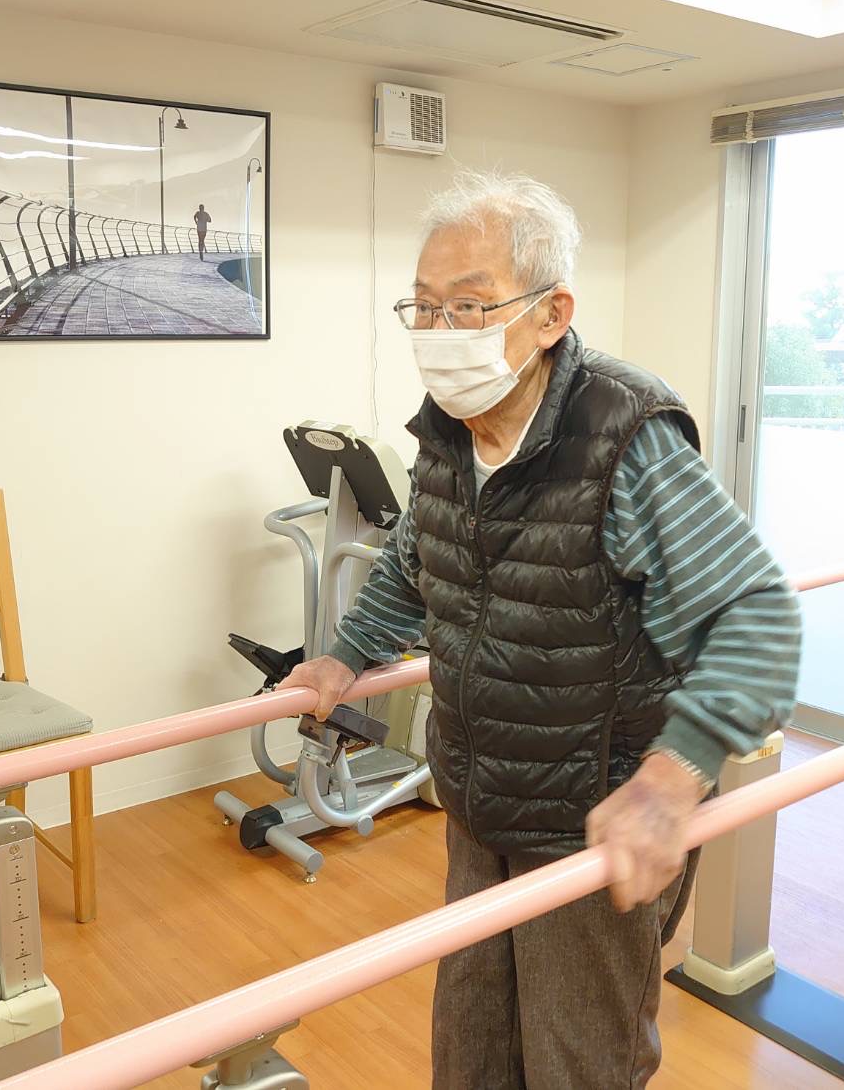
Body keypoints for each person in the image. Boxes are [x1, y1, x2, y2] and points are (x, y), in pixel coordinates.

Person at [277, 169, 802, 1088]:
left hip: (596, 814)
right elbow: (417, 563)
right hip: (479, 794)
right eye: (422, 307)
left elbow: (756, 616)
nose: (438, 332)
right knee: (472, 1045)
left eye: (468, 305)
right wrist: (343, 656)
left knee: (575, 1062)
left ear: (551, 313)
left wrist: (672, 778)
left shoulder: (626, 434)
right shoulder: (447, 430)